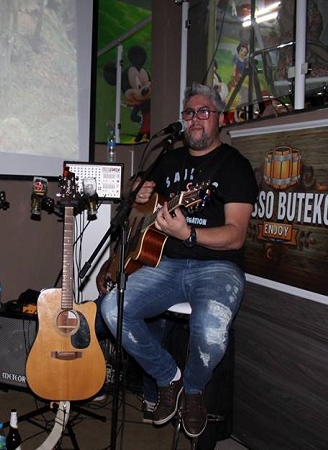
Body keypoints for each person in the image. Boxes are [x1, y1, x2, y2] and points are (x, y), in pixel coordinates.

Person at [99, 83, 258, 438]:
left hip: (218, 267)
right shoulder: (170, 159)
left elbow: (235, 234)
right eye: (189, 113)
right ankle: (168, 377)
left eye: (204, 112)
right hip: (165, 263)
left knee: (211, 330)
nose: (195, 120)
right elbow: (138, 195)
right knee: (112, 309)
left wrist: (189, 234)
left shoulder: (234, 166)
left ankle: (195, 390)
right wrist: (137, 189)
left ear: (219, 119)